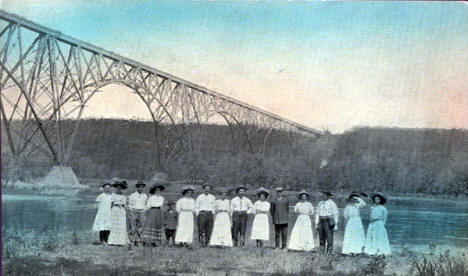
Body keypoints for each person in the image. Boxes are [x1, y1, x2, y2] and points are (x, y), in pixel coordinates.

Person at [142, 182, 165, 247]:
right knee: (150, 224)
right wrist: (145, 211)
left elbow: (161, 205)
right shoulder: (151, 198)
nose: (158, 191)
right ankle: (148, 240)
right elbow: (148, 206)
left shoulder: (161, 198)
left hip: (158, 212)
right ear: (154, 191)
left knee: (157, 225)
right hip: (152, 211)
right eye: (157, 190)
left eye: (159, 190)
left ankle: (155, 241)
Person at [108, 179, 130, 246]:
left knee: (121, 225)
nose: (119, 189)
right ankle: (113, 241)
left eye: (120, 187)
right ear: (115, 188)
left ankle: (121, 241)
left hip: (121, 211)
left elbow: (125, 205)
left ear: (122, 188)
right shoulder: (112, 195)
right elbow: (110, 205)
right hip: (115, 210)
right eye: (117, 187)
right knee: (114, 225)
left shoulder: (124, 196)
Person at [127, 180, 148, 246]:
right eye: (139, 187)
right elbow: (129, 204)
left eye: (142, 187)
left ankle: (138, 241)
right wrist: (132, 210)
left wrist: (144, 210)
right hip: (134, 211)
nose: (141, 188)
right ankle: (132, 240)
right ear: (137, 187)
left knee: (140, 227)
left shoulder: (145, 195)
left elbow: (145, 204)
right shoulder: (132, 195)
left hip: (141, 212)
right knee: (133, 227)